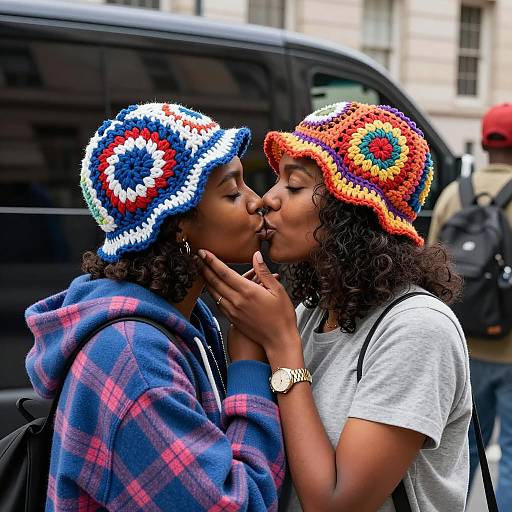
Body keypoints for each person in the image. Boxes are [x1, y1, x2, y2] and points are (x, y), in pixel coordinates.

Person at [200, 102, 471, 511]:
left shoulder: (418, 329)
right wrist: (250, 342)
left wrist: (281, 344)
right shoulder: (310, 313)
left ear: (352, 211)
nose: (267, 200)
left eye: (293, 186)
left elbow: (335, 504)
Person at [24, 103, 284, 511]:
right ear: (177, 222)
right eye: (233, 192)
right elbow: (237, 504)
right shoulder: (134, 360)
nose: (258, 202)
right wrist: (250, 365)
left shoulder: (185, 315)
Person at [429, 102, 512, 510]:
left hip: (463, 345)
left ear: (484, 142)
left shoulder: (451, 196)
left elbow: (430, 267)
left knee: (464, 451)